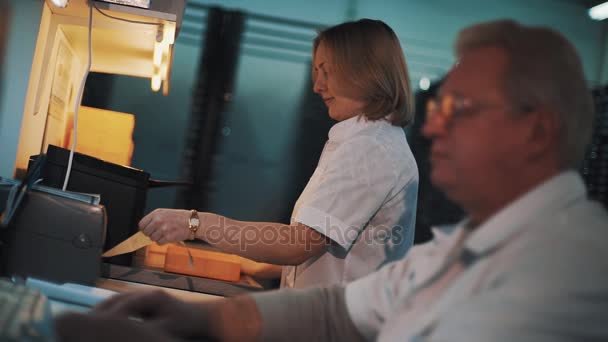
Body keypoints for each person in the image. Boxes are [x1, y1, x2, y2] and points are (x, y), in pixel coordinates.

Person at [55, 19, 608, 342]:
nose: (434, 125)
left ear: (536, 130)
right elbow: (334, 309)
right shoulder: (455, 252)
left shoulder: (568, 272)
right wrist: (194, 319)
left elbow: (305, 249)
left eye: (460, 108)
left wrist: (198, 224)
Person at [139, 19, 419, 288]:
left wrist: (195, 223)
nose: (317, 86)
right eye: (316, 72)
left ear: (364, 72)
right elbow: (325, 245)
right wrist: (253, 263)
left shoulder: (370, 149)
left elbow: (299, 244)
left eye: (327, 71)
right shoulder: (364, 142)